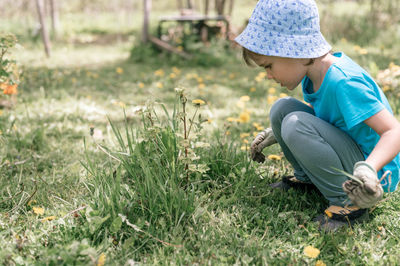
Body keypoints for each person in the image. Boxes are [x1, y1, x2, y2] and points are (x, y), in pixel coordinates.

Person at [235, 0, 400, 231]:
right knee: (282, 110)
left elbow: (394, 131)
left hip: (372, 177)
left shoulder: (344, 82)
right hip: (351, 156)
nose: (269, 76)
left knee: (294, 123)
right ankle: (307, 180)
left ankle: (349, 205)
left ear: (295, 52)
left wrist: (368, 169)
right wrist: (277, 133)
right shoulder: (311, 76)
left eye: (269, 66)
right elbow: (330, 120)